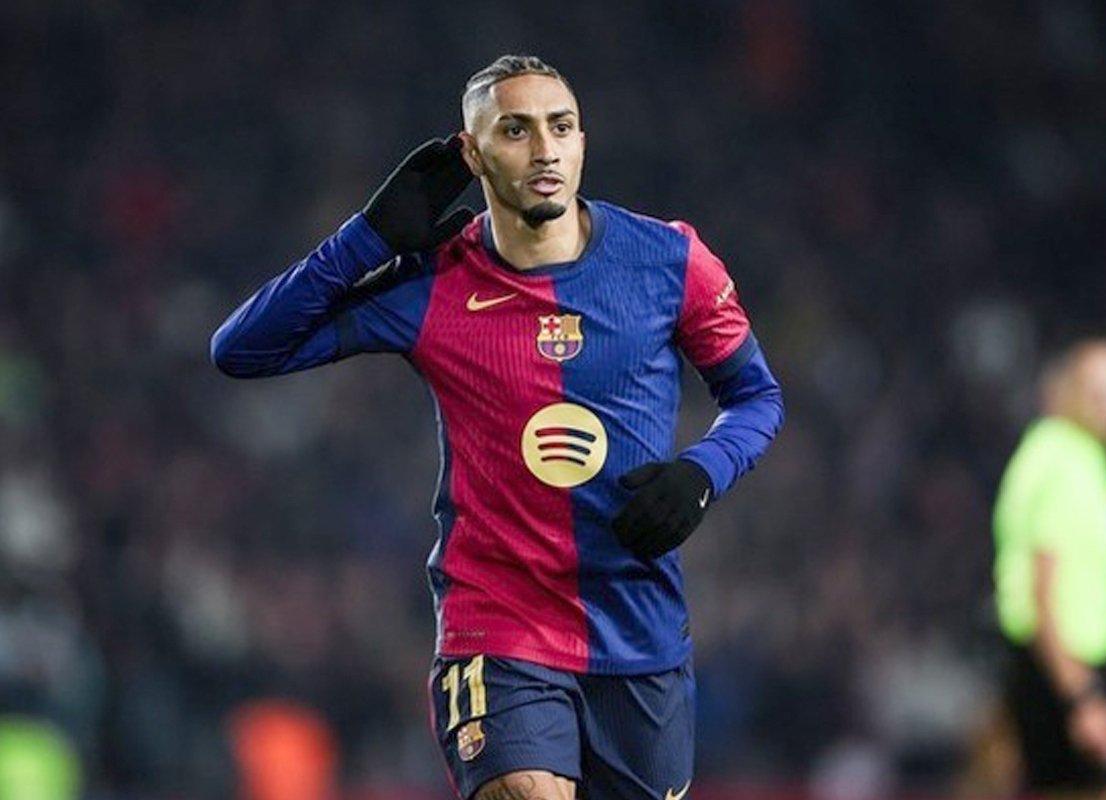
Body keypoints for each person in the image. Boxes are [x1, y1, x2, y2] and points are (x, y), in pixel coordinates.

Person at [210, 54, 784, 800]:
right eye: (515, 130)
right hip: (498, 628)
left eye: (561, 127)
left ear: (583, 142)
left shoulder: (670, 260)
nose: (545, 150)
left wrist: (702, 472)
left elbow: (756, 396)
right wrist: (366, 239)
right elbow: (243, 349)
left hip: (638, 631)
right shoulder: (433, 281)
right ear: (473, 154)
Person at [992, 338, 1106, 800]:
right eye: (1098, 394)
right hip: (1063, 665)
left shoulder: (1052, 454)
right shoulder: (1068, 464)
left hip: (1048, 664)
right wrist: (1082, 696)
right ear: (1067, 391)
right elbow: (1043, 586)